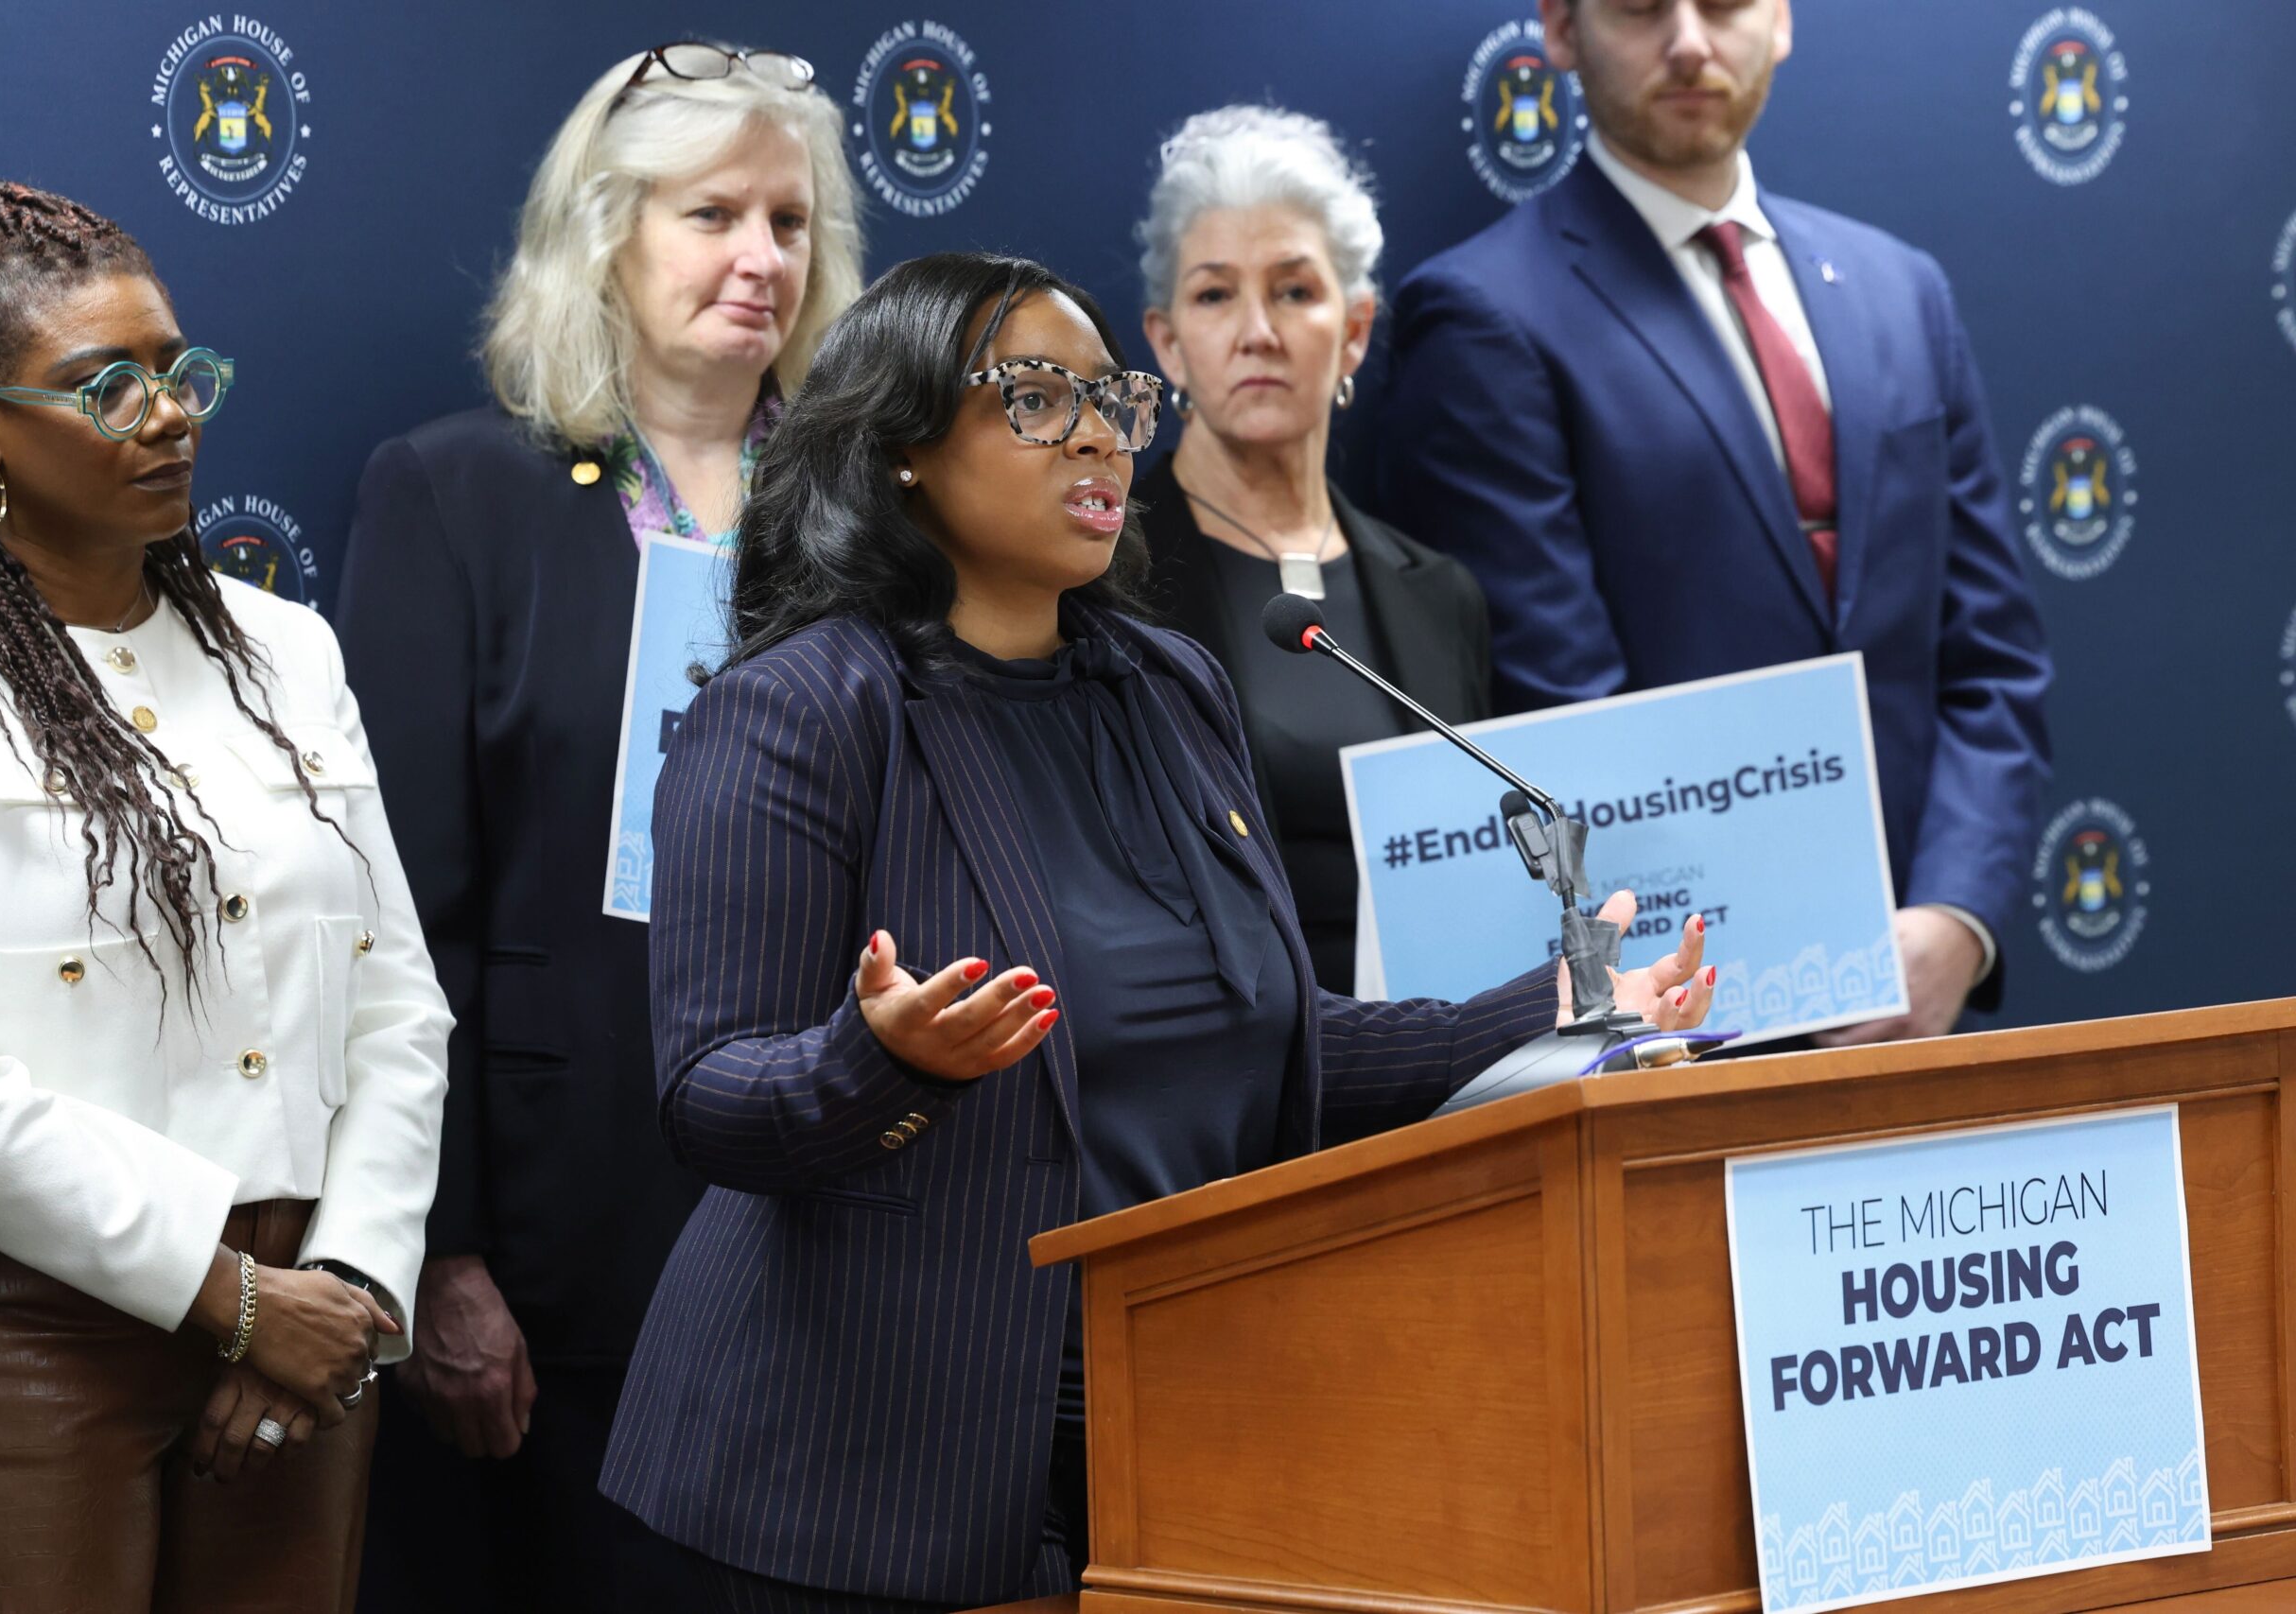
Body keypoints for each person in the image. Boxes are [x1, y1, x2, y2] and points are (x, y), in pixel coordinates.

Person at [598, 252, 1715, 1611]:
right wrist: (881, 1061)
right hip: (853, 1486)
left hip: (1179, 1435)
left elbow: (1268, 1040)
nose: (1094, 433)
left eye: (1114, 401)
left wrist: (1551, 1013)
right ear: (899, 446)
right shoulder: (805, 708)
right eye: (1032, 396)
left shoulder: (1169, 685)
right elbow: (708, 1095)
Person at [335, 39, 862, 1610]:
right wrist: (442, 1252)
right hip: (563, 1246)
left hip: (828, 1221)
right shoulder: (455, 496)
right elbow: (397, 909)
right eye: (713, 215)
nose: (762, 258)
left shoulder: (869, 517)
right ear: (607, 236)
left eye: (790, 220)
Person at [0, 178, 448, 1611]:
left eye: (179, 371)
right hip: (2, 1325)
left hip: (306, 1321)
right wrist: (223, 1290)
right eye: (104, 386)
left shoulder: (287, 650)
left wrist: (355, 1288)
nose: (170, 412)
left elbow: (397, 1006)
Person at [1376, 0, 2051, 1043]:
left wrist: (1956, 920)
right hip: (1689, 1025)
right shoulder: (1482, 316)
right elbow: (1566, 716)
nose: (1689, 41)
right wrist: (1796, 964)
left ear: (1778, 20)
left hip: (1928, 1002)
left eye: (1724, 4)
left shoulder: (1901, 291)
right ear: (1559, 30)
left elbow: (1991, 659)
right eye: (1642, 8)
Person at [1134, 106, 1494, 994]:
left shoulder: (1441, 593)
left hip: (1442, 1069)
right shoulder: (1103, 576)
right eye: (1216, 295)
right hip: (1225, 1094)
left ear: (1357, 330)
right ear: (1168, 344)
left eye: (1294, 290)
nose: (1258, 330)